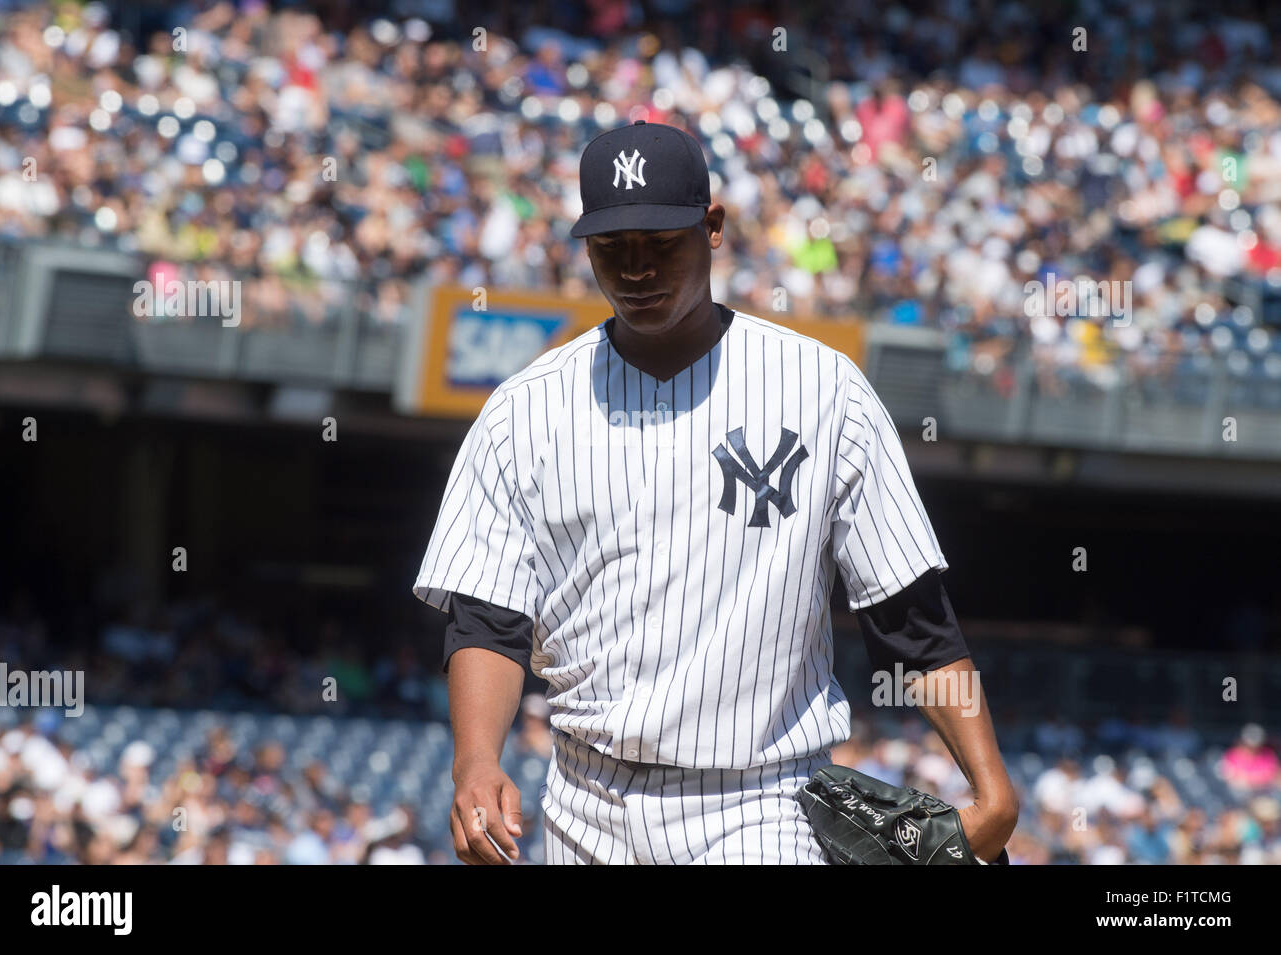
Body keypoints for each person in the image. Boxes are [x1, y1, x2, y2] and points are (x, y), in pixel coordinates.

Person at [414, 120, 1018, 865]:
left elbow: (909, 617)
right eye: (613, 249)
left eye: (659, 245)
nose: (635, 269)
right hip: (582, 798)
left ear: (713, 227)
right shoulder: (523, 408)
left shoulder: (823, 390)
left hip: (762, 800)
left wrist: (991, 784)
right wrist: (475, 760)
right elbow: (487, 619)